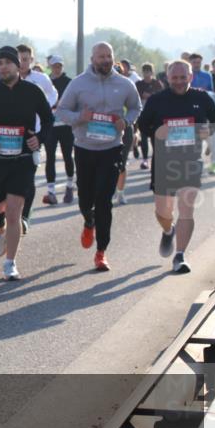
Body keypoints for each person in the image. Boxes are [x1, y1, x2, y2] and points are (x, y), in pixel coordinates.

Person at [55, 42, 141, 271]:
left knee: (104, 201)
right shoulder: (78, 83)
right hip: (85, 148)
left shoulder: (124, 84)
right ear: (93, 59)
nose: (105, 60)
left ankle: (101, 251)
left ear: (113, 58)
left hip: (111, 148)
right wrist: (79, 117)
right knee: (85, 199)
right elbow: (62, 111)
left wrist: (127, 121)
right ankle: (88, 220)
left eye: (108, 56)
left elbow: (135, 107)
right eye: (101, 56)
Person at [0, 46, 54, 280]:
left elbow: (48, 119)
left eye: (8, 62)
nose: (3, 67)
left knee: (14, 213)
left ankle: (10, 263)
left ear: (18, 66)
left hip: (23, 160)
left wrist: (40, 138)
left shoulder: (32, 91)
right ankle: (0, 232)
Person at [136, 60, 215, 273]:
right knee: (163, 211)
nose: (179, 81)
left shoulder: (201, 98)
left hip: (191, 161)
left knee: (186, 210)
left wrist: (203, 132)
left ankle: (180, 255)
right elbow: (143, 125)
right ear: (168, 78)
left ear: (190, 77)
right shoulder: (157, 100)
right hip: (164, 162)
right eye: (175, 78)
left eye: (183, 77)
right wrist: (157, 133)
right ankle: (168, 231)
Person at [17, 44, 58, 233]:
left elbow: (53, 94)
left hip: (33, 135)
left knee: (28, 178)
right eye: (19, 59)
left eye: (26, 59)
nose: (22, 63)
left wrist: (42, 107)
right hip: (11, 135)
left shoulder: (41, 79)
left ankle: (24, 216)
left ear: (31, 60)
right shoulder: (8, 79)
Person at [42, 55, 76, 204]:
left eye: (59, 66)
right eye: (55, 66)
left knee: (68, 155)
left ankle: (69, 186)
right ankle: (51, 191)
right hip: (50, 126)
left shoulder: (70, 82)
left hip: (66, 125)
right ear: (50, 67)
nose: (57, 68)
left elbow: (75, 101)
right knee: (50, 158)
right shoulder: (46, 82)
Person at [135, 63, 161, 169]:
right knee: (144, 136)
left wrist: (150, 96)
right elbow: (134, 97)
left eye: (148, 72)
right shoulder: (139, 84)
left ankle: (157, 159)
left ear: (152, 72)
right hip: (142, 113)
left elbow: (162, 97)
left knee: (155, 137)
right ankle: (145, 159)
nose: (146, 74)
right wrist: (142, 96)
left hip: (155, 114)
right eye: (145, 72)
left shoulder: (157, 84)